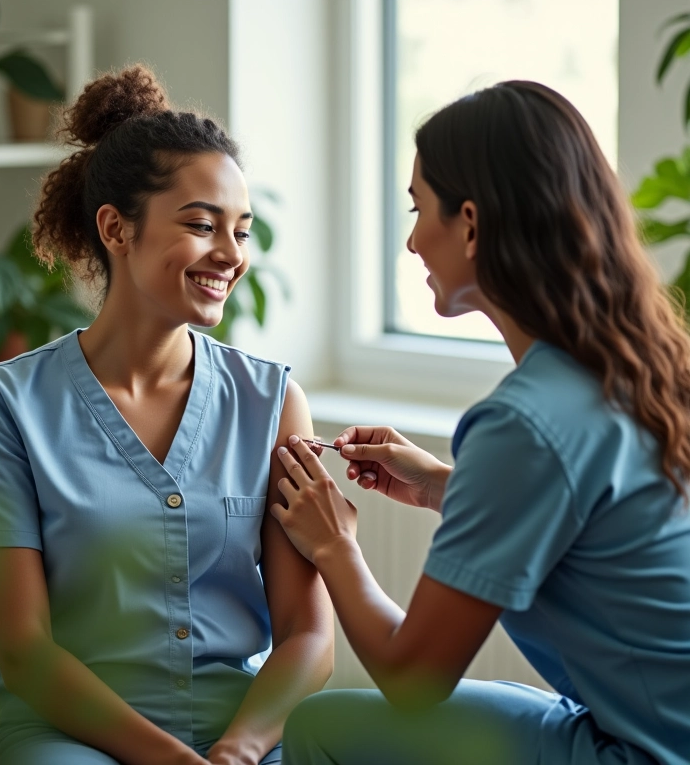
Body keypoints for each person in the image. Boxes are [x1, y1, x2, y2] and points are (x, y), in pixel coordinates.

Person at [271, 81, 690, 765]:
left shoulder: (522, 424)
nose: (412, 241)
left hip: (649, 752)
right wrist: (441, 486)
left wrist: (334, 546)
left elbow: (412, 679)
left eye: (418, 209)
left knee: (320, 727)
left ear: (470, 223)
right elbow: (588, 517)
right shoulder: (637, 367)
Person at [0, 65, 334, 765]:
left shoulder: (273, 403)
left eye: (241, 231)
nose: (231, 255)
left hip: (241, 734)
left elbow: (308, 635)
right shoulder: (7, 406)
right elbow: (24, 651)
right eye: (202, 226)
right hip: (67, 737)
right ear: (116, 228)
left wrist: (238, 750)